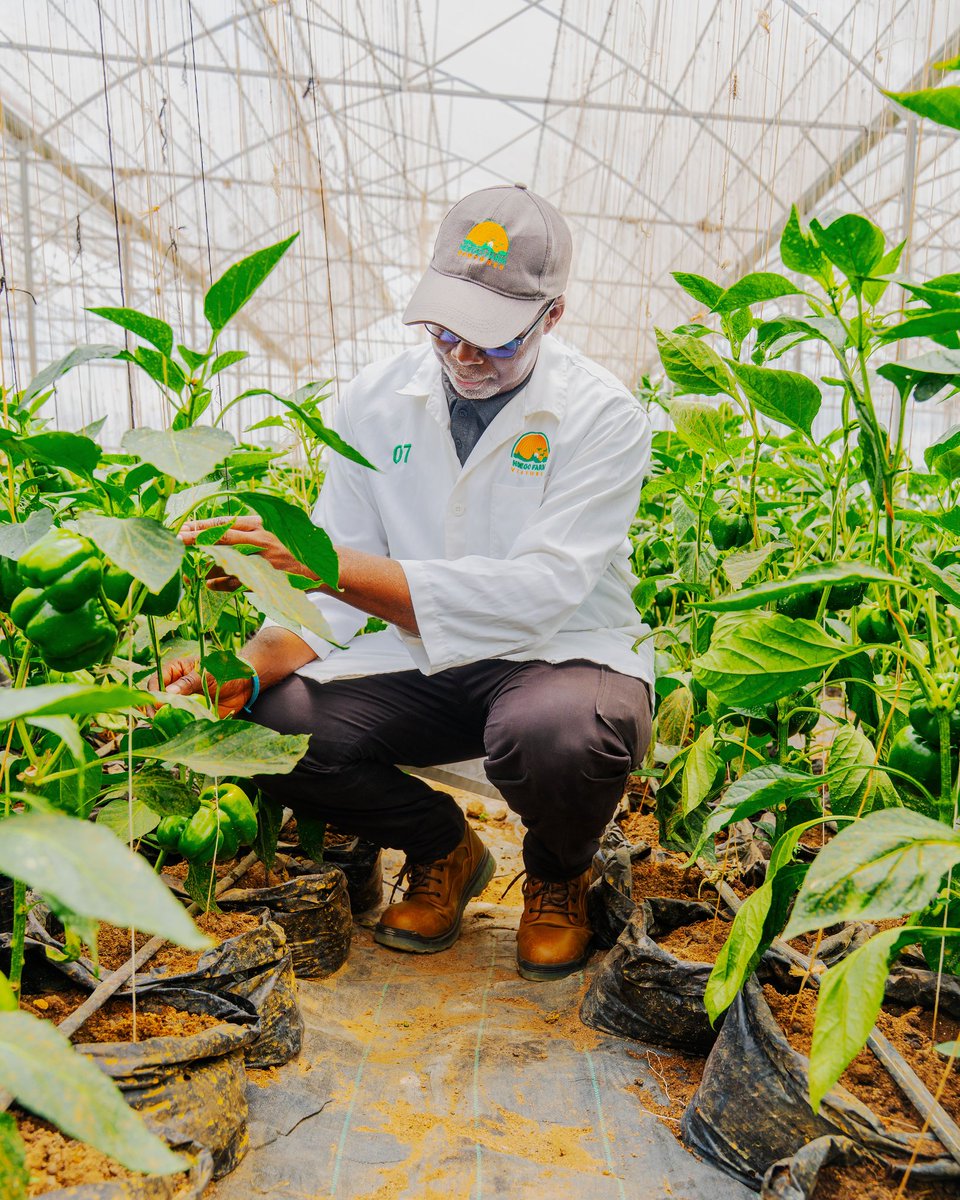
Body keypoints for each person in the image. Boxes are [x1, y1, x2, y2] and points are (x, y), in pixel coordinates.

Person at [165, 184, 653, 982]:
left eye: (493, 340)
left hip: (561, 656)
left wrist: (323, 559)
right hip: (418, 661)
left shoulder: (603, 417)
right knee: (269, 723)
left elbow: (539, 593)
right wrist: (243, 667)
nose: (463, 355)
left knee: (560, 734)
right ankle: (443, 849)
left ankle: (560, 875)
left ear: (552, 317)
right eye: (445, 330)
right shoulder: (375, 402)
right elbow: (326, 594)